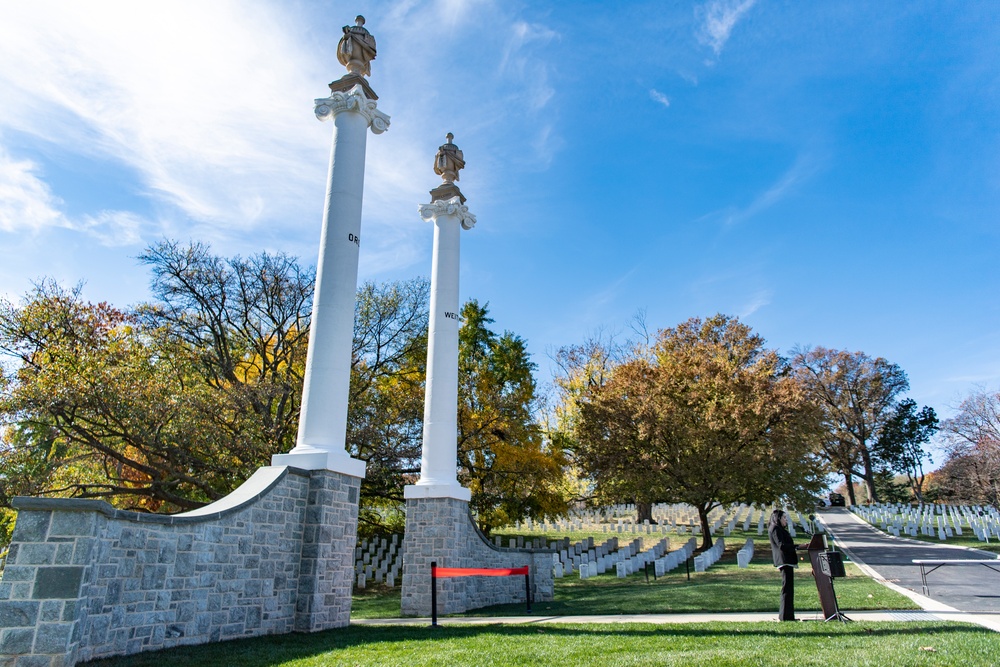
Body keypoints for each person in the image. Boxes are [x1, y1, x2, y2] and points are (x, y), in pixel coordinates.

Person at [768, 509, 800, 621]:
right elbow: (781, 545)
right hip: (784, 561)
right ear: (778, 518)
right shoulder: (775, 529)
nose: (786, 520)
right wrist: (796, 546)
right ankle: (785, 617)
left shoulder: (779, 529)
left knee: (789, 589)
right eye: (784, 518)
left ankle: (789, 616)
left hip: (787, 561)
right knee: (786, 589)